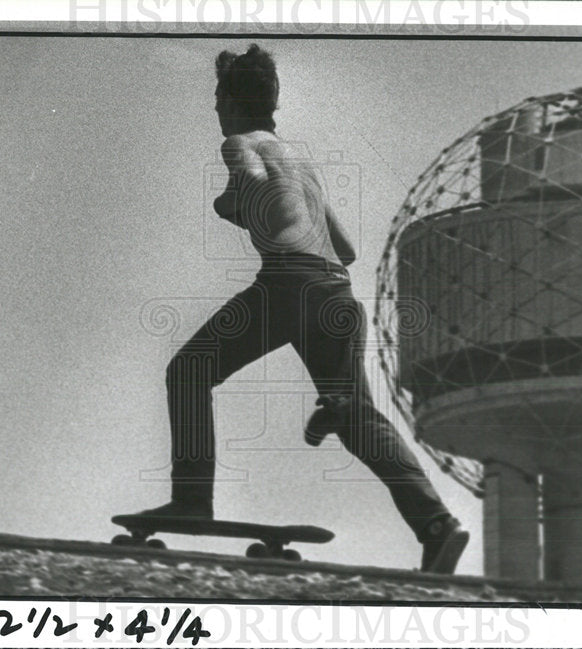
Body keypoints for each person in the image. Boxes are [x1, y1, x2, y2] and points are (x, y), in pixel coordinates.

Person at [137, 44, 469, 573]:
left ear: (228, 99)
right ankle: (437, 526)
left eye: (217, 98)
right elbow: (346, 248)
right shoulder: (300, 160)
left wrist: (231, 206)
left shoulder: (238, 143)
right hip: (335, 292)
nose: (215, 109)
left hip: (288, 286)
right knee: (356, 417)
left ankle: (192, 499)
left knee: (189, 370)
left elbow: (253, 185)